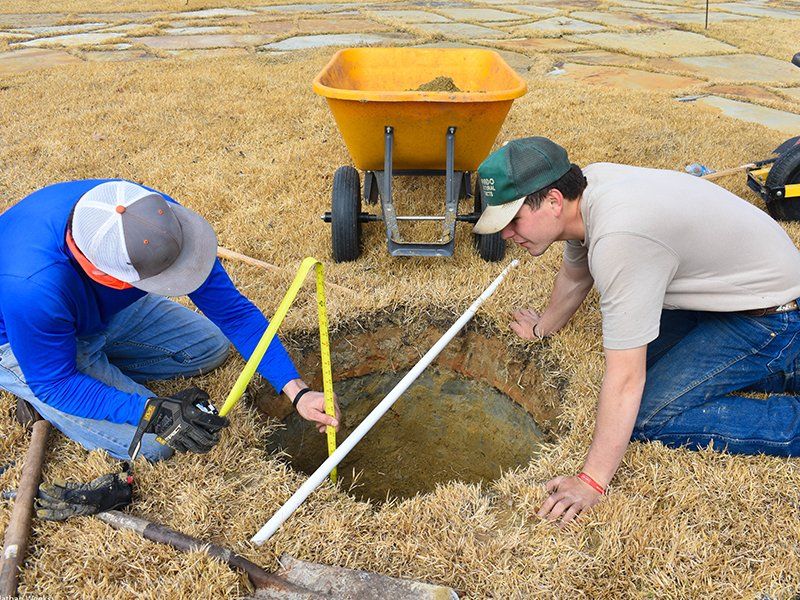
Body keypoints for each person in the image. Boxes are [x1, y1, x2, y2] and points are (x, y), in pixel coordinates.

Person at [473, 137, 800, 525]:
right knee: (651, 364)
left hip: (769, 316)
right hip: (730, 296)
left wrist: (591, 481)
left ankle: (786, 380)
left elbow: (627, 378)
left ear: (554, 201)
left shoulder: (621, 236)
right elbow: (577, 274)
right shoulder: (590, 191)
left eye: (513, 220)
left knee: (647, 416)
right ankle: (784, 365)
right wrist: (542, 329)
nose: (507, 234)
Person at [0, 179, 340, 462]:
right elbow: (55, 383)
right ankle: (30, 379)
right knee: (157, 445)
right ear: (110, 277)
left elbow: (234, 314)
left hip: (96, 313)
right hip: (21, 339)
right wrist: (153, 412)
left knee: (210, 348)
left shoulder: (150, 216)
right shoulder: (32, 288)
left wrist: (297, 391)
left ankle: (100, 365)